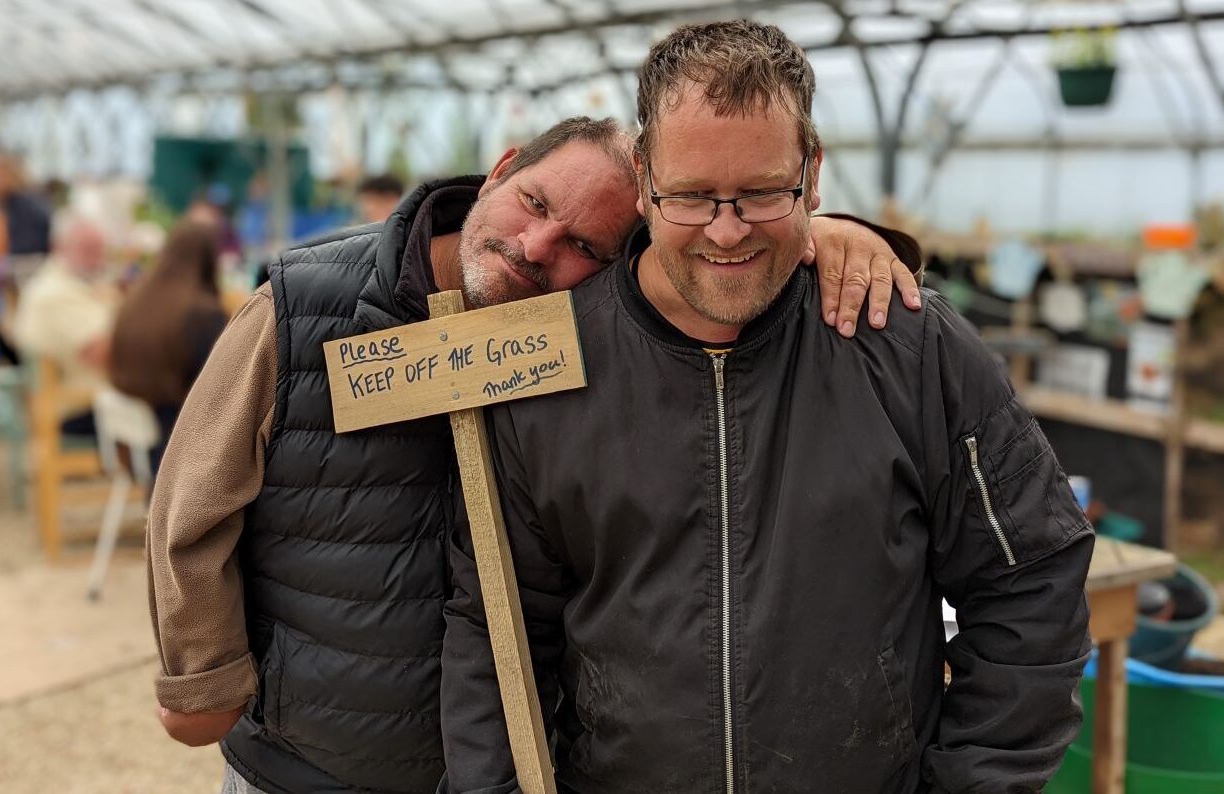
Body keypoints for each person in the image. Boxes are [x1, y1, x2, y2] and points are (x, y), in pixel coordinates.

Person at [146, 115, 923, 794]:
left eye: (584, 244)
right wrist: (202, 672)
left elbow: (723, 247)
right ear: (504, 166)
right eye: (537, 202)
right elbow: (192, 498)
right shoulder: (305, 304)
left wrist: (830, 234)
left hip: (506, 766)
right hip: (311, 769)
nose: (536, 245)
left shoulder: (595, 343)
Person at [441, 22, 1093, 794]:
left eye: (761, 192)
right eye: (690, 196)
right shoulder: (551, 364)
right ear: (645, 178)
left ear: (812, 176)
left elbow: (1030, 579)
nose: (726, 230)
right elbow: (498, 630)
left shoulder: (910, 346)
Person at [108, 221, 227, 475]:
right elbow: (220, 383)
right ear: (210, 262)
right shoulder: (203, 313)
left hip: (139, 422)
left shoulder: (135, 299)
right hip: (180, 440)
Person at [14, 214, 117, 436]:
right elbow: (101, 352)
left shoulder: (71, 282)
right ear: (59, 248)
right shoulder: (55, 293)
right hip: (76, 410)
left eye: (100, 249)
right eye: (88, 249)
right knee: (172, 413)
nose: (97, 258)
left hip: (87, 402)